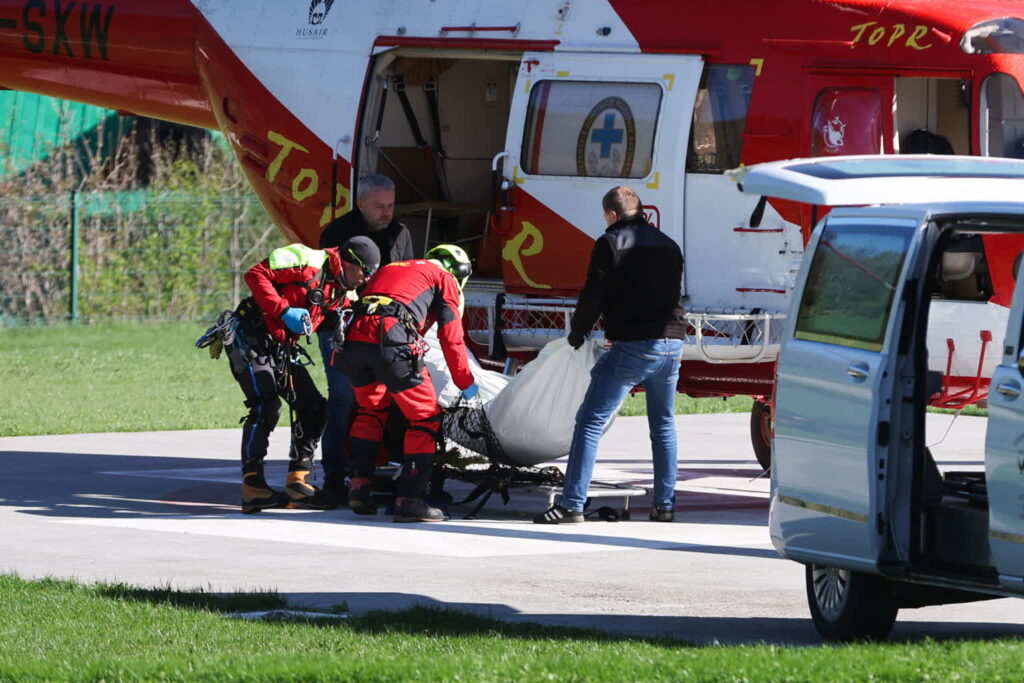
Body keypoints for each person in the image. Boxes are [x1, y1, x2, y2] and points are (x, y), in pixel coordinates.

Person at [534, 186, 686, 525]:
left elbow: (595, 293)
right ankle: (664, 505)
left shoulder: (609, 243)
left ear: (612, 216)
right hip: (673, 342)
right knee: (663, 424)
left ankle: (572, 505)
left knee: (589, 422)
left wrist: (578, 331)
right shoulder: (669, 244)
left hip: (635, 344)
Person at [220, 237, 381, 514]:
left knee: (315, 407)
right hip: (250, 335)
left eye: (371, 274)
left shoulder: (346, 294)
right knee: (266, 405)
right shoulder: (305, 259)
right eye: (364, 271)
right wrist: (283, 311)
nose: (365, 279)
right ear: (347, 261)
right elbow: (255, 274)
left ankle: (299, 479)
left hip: (281, 347)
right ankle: (253, 486)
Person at [334, 244, 478, 523]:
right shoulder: (443, 279)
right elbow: (451, 337)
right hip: (390, 337)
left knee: (371, 409)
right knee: (424, 418)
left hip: (352, 342)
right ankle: (410, 500)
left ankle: (360, 487)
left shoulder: (392, 268)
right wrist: (465, 380)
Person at [316, 174, 415, 505]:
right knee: (343, 397)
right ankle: (333, 475)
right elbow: (324, 288)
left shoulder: (400, 233)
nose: (386, 213)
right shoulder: (337, 234)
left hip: (386, 330)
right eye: (378, 206)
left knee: (392, 397)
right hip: (340, 326)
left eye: (390, 205)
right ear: (360, 204)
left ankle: (385, 471)